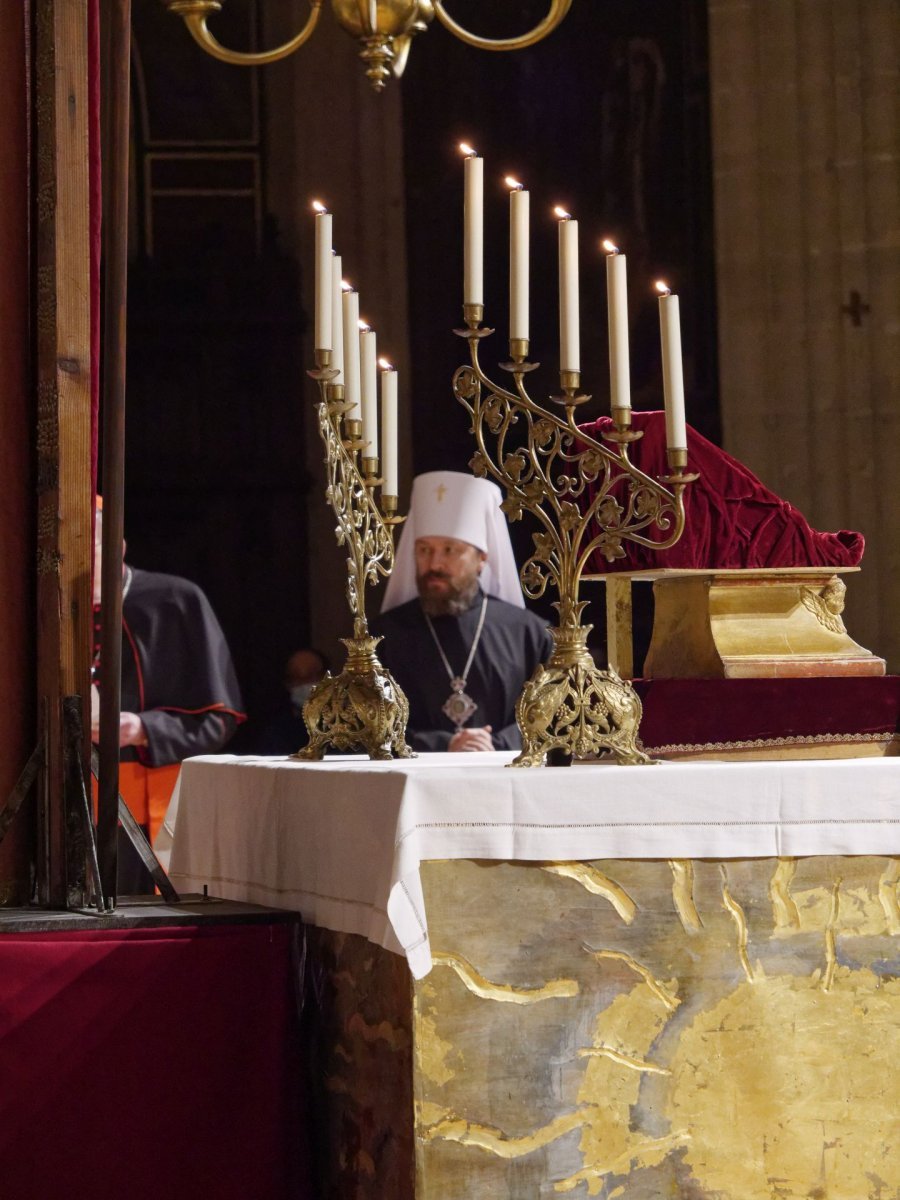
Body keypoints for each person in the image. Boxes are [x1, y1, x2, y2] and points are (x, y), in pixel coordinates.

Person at [91, 501, 244, 883]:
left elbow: (218, 721)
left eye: (87, 542)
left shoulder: (175, 600)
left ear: (117, 545)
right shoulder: (35, 607)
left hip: (146, 810)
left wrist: (142, 729)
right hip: (61, 811)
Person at [375, 471, 551, 752]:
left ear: (482, 559)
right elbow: (366, 722)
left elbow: (554, 715)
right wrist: (443, 744)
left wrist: (496, 744)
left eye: (449, 550)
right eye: (424, 550)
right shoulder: (385, 635)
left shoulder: (529, 633)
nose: (435, 564)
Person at [254, 648, 329, 754]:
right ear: (287, 683)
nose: (305, 684)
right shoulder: (276, 733)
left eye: (312, 675)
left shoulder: (344, 726)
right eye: (297, 678)